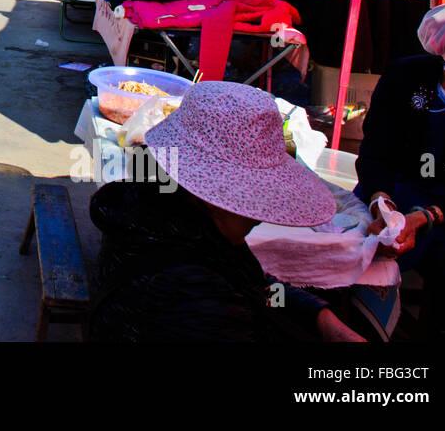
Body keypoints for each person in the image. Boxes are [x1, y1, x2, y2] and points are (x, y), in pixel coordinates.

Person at [90, 81, 364, 341]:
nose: (260, 213)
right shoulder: (194, 296)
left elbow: (260, 288)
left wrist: (320, 316)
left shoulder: (172, 214)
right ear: (212, 195)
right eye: (255, 194)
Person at [354, 0, 445, 340]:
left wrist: (426, 216)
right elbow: (375, 152)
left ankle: (431, 334)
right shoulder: (402, 77)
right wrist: (382, 201)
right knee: (360, 248)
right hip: (396, 189)